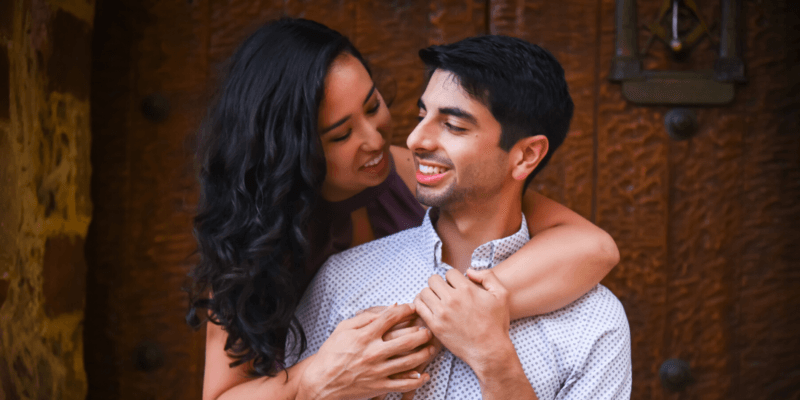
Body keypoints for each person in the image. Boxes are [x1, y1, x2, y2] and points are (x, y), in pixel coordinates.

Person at [187, 18, 620, 400]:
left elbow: (592, 247)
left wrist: (452, 319)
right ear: (292, 152)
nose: (379, 141)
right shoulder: (256, 244)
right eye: (341, 135)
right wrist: (314, 380)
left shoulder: (415, 172)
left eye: (373, 106)